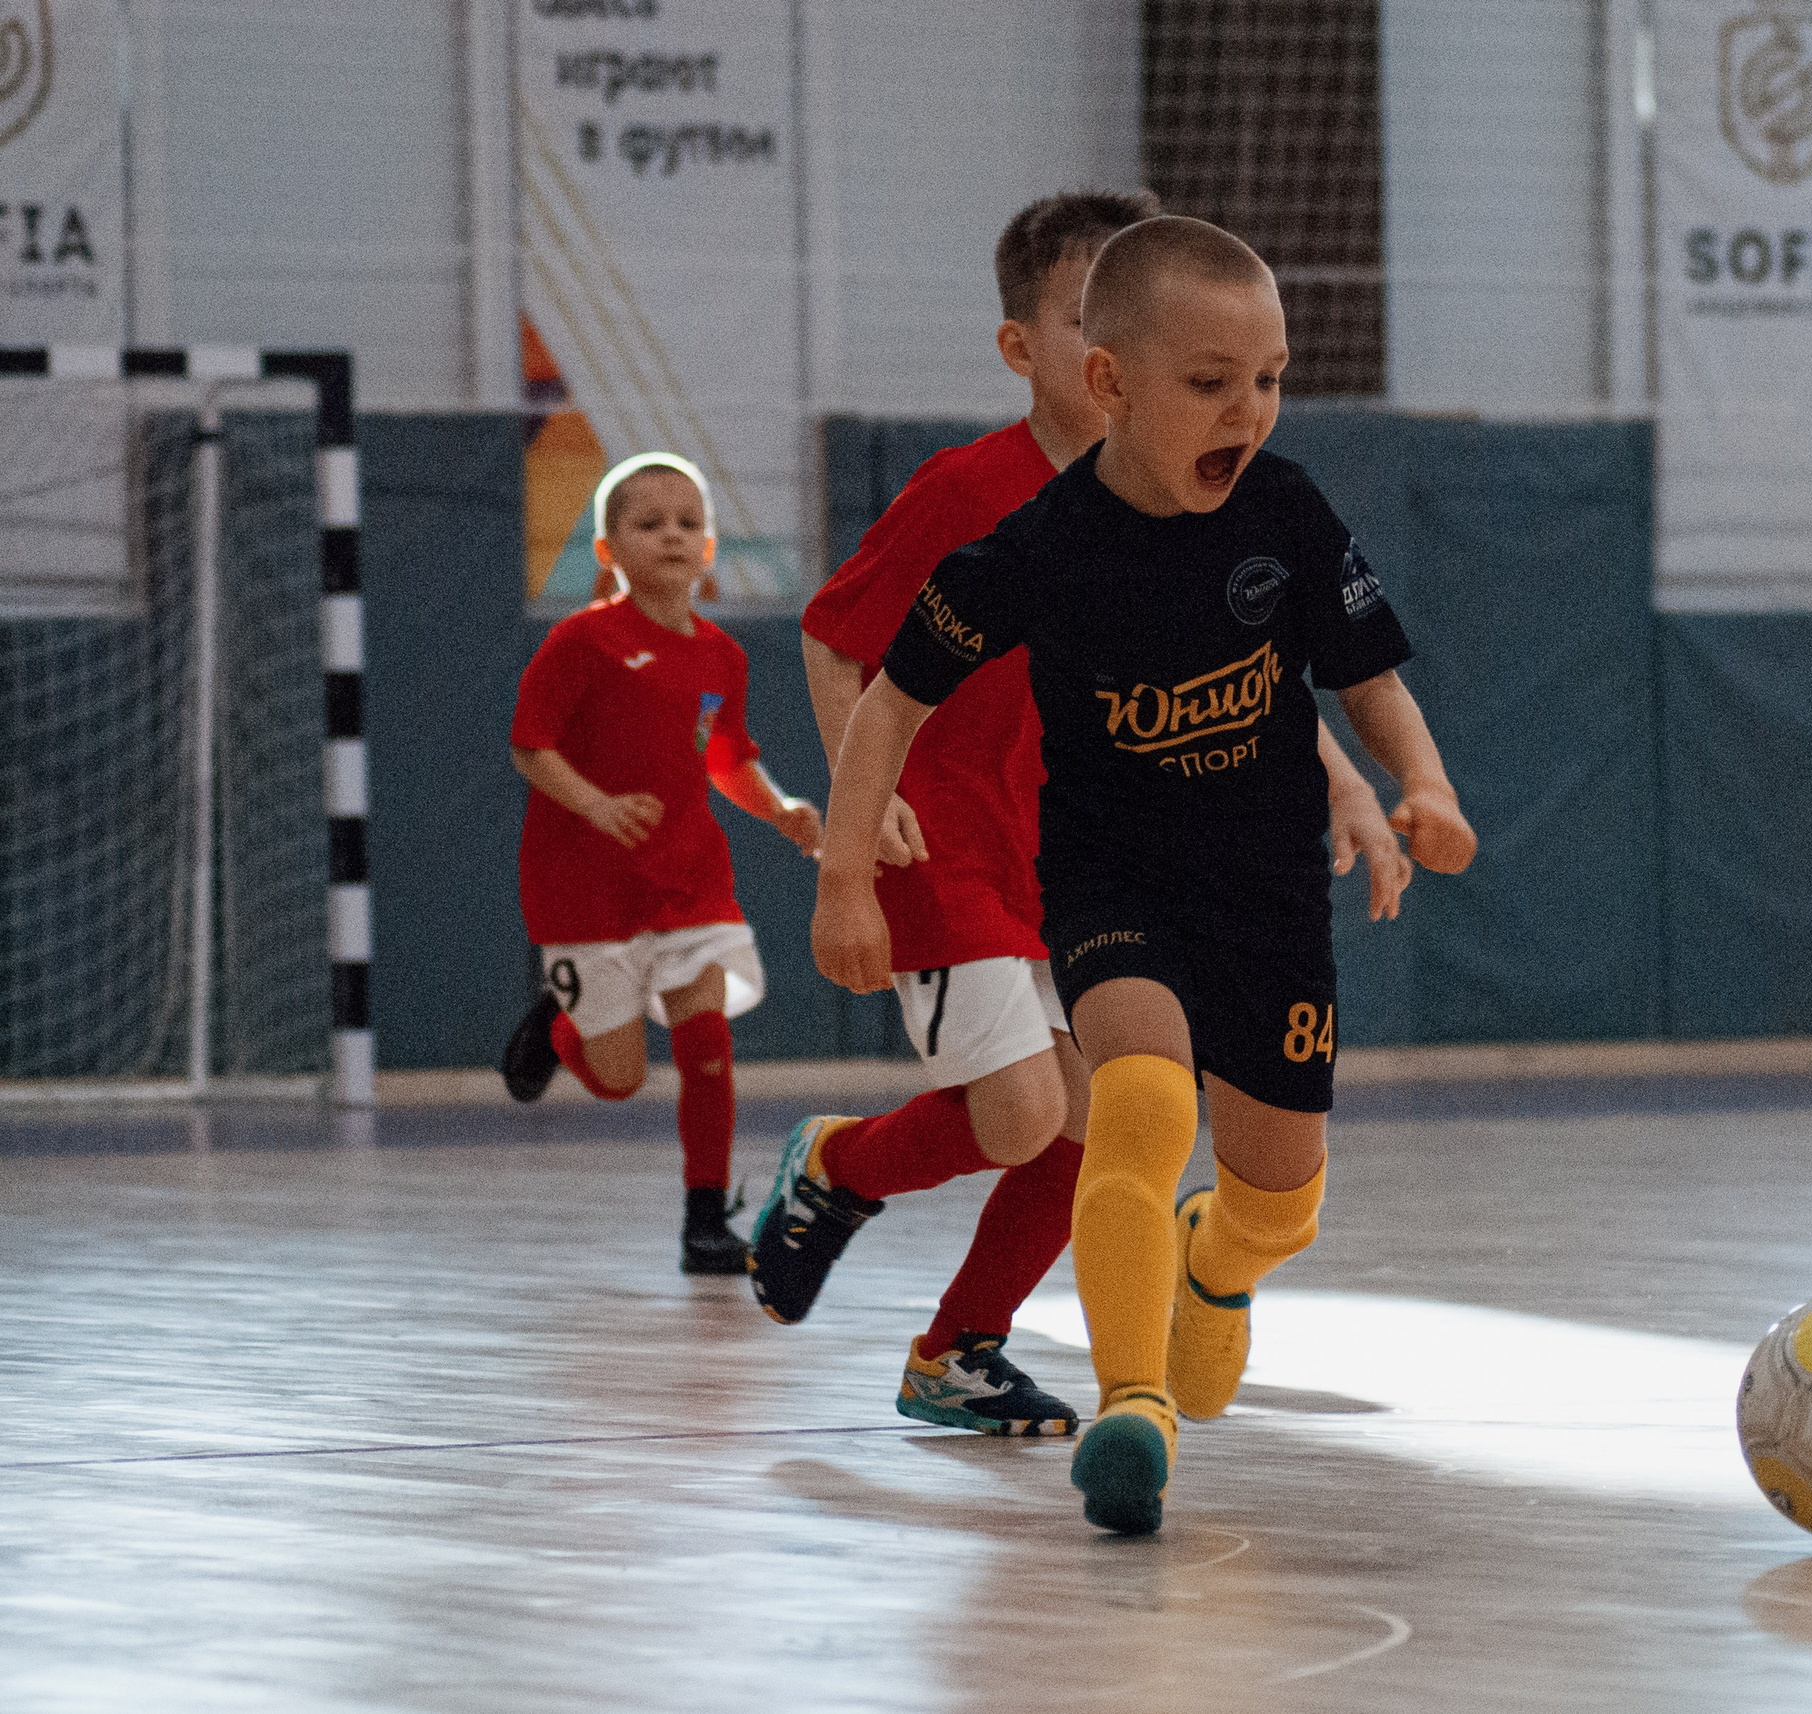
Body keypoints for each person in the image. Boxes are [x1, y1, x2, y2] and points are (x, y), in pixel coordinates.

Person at [808, 215, 1475, 1533]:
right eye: (1213, 383)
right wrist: (845, 876)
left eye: (1273, 379)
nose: (1252, 409)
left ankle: (1215, 1271)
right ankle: (1130, 1406)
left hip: (1268, 898)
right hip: (1113, 880)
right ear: (1110, 385)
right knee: (1137, 1108)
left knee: (1279, 1194)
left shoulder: (1285, 514)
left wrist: (1422, 786)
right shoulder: (1043, 543)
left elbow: (1361, 677)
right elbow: (886, 700)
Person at [498, 453, 824, 1276]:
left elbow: (726, 759)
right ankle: (559, 1026)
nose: (672, 536)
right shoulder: (583, 643)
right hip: (587, 888)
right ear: (608, 550)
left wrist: (778, 806)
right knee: (616, 1080)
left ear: (709, 548)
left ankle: (704, 1221)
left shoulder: (721, 657)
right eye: (649, 524)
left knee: (706, 1041)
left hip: (690, 878)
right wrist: (598, 806)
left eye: (687, 523)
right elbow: (530, 747)